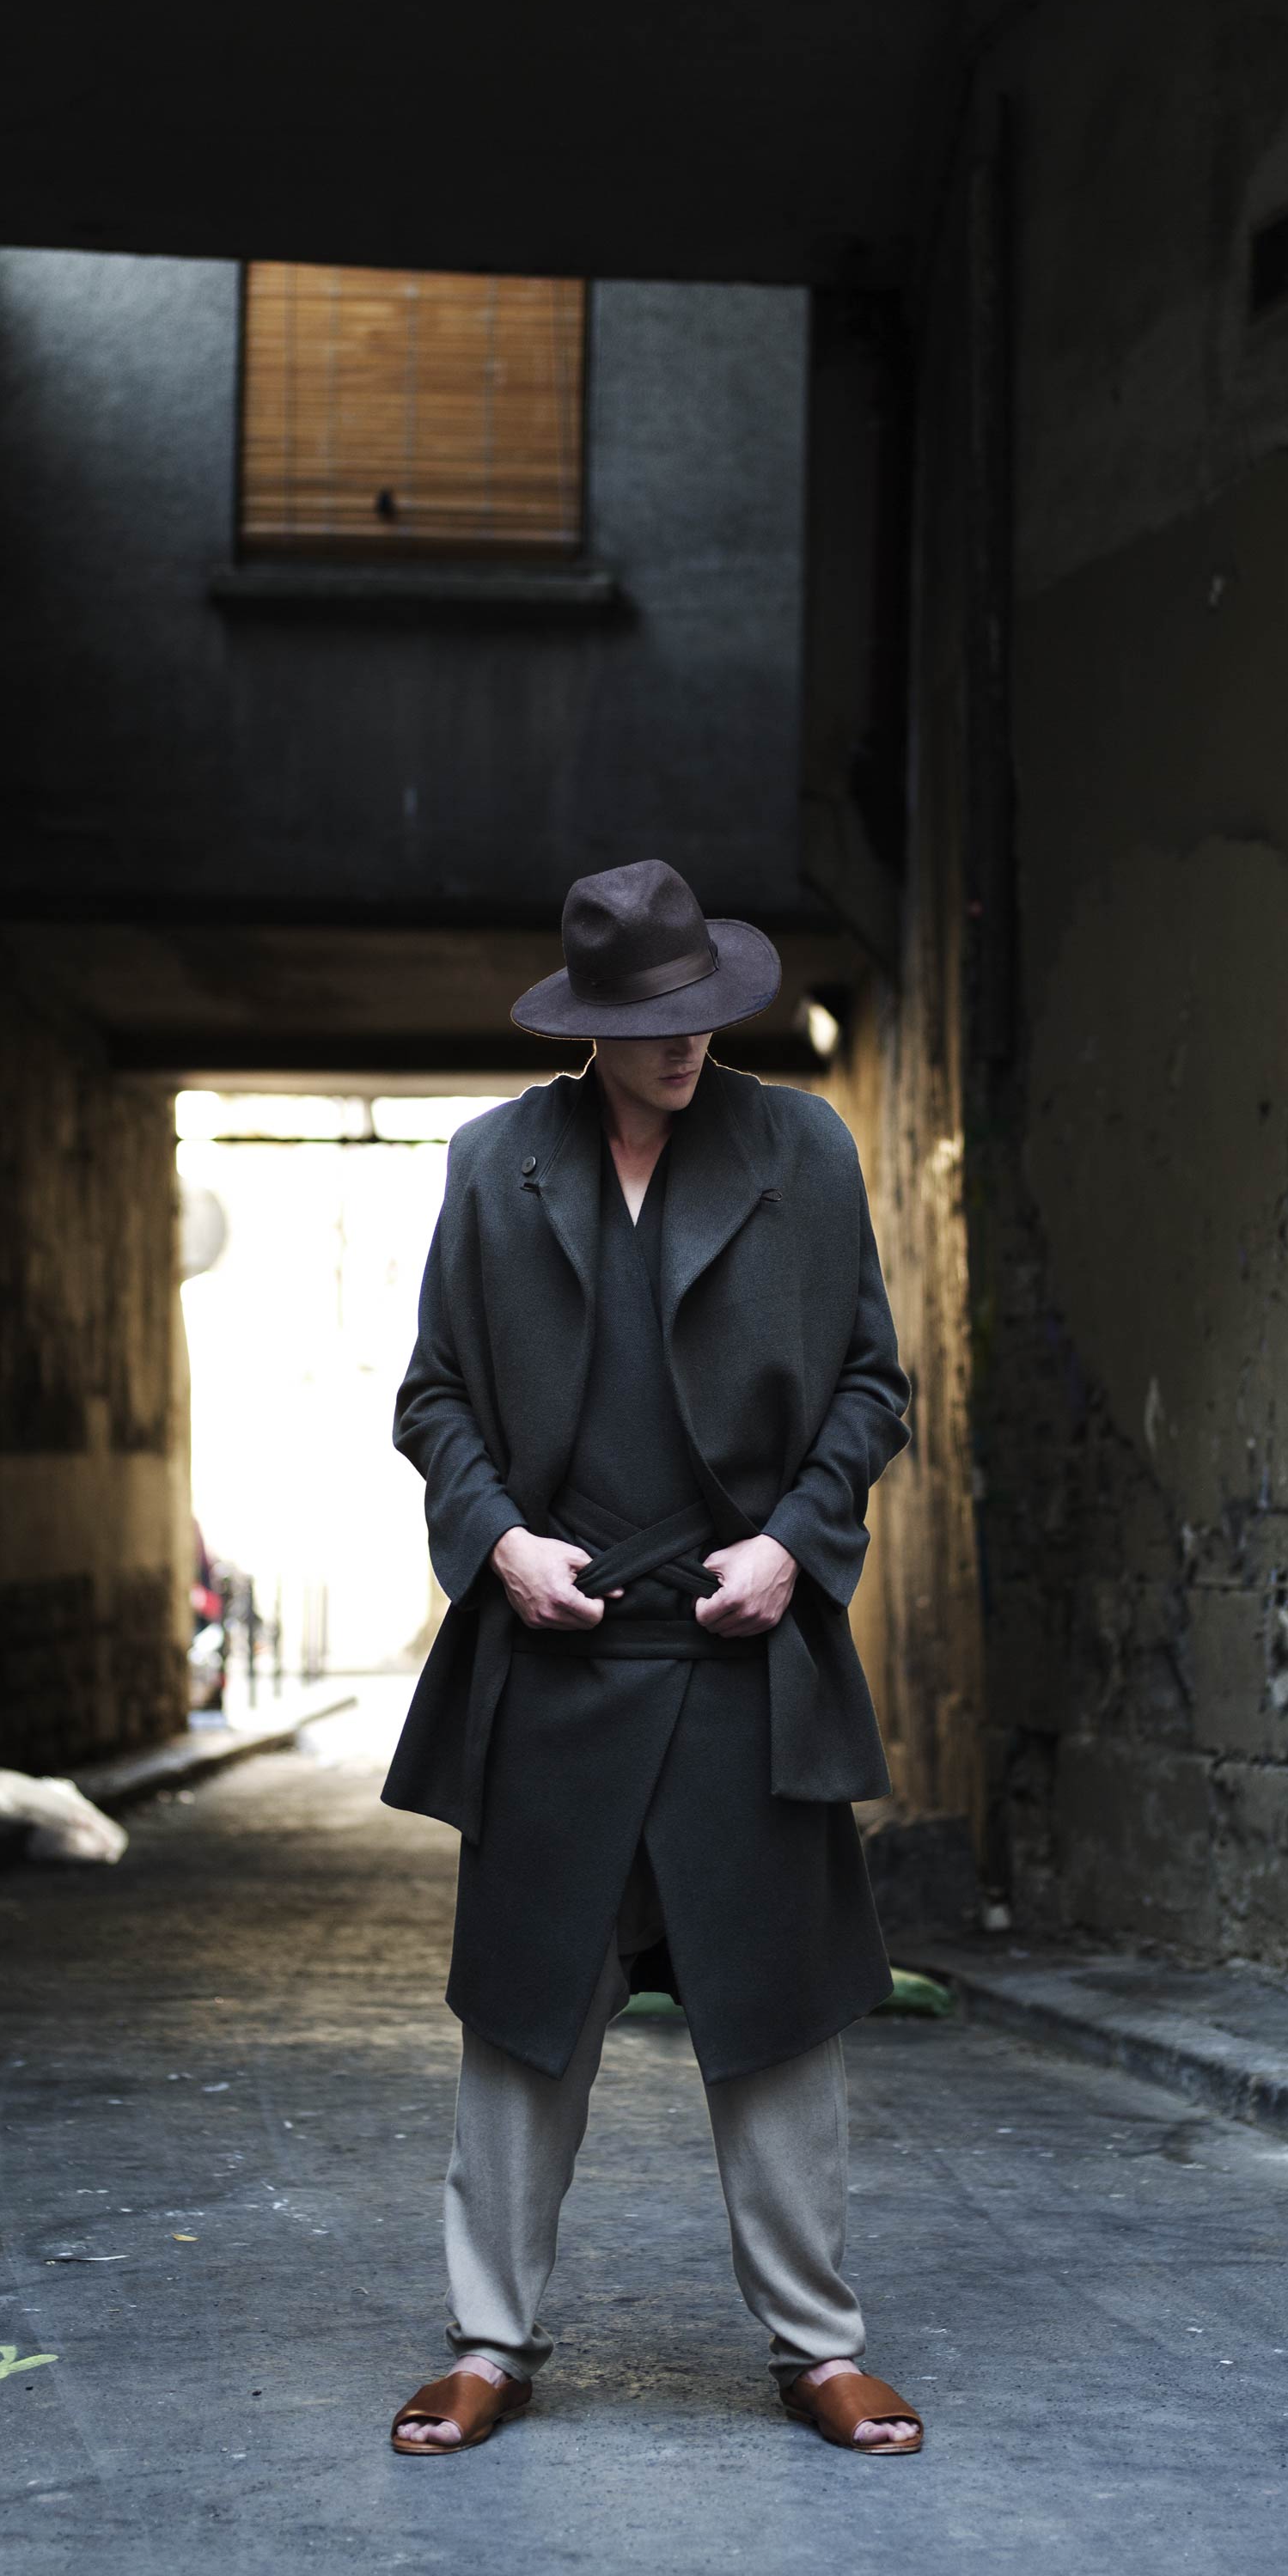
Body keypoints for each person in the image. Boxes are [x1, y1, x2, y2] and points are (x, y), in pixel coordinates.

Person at [382, 857, 923, 2458]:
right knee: (522, 2018)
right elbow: (431, 1400)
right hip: (555, 1653)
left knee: (775, 2018)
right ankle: (489, 2344)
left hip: (741, 1649)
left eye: (702, 1013)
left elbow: (869, 1389)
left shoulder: (800, 1148)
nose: (687, 1043)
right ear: (590, 1027)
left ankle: (818, 2348)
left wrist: (795, 1546)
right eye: (652, 1022)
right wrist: (497, 1543)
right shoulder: (495, 1166)